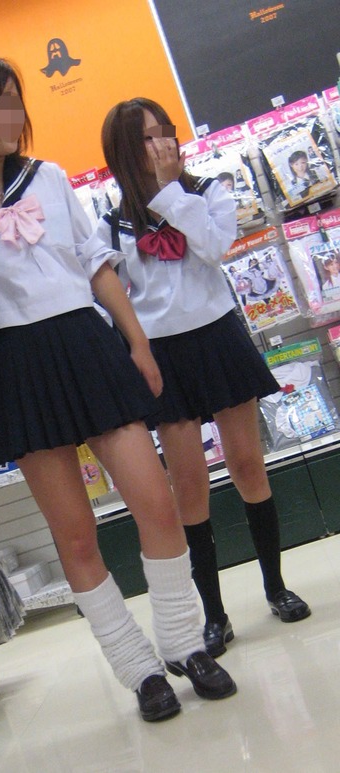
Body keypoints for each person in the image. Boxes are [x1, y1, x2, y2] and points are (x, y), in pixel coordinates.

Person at [0, 54, 236, 723]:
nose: (14, 115)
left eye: (16, 99)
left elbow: (96, 263)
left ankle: (183, 641)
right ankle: (139, 669)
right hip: (17, 363)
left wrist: (138, 343)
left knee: (156, 503)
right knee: (77, 536)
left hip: (87, 344)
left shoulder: (49, 176)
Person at [97, 97, 311, 658]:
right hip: (163, 356)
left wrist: (171, 190)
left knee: (248, 465)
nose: (162, 143)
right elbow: (111, 299)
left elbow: (215, 249)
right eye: (147, 137)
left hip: (219, 337)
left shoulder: (208, 191)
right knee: (189, 487)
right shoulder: (111, 224)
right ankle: (214, 615)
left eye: (164, 131)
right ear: (124, 151)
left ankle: (275, 586)